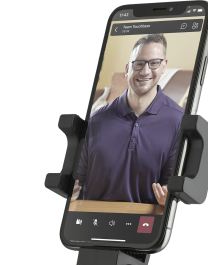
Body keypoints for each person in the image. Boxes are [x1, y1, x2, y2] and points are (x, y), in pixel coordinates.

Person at [73, 34, 184, 206]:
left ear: (164, 66)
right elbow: (76, 182)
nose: (145, 71)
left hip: (143, 220)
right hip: (91, 217)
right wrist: (70, 191)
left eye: (154, 63)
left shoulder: (179, 121)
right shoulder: (96, 119)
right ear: (127, 69)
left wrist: (169, 198)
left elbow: (170, 188)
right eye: (138, 63)